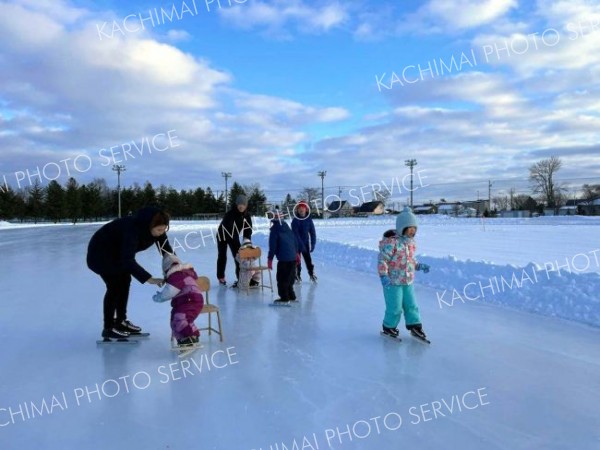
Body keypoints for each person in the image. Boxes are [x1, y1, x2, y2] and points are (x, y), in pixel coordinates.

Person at [87, 206, 173, 340]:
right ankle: (108, 328)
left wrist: (175, 267)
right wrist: (149, 278)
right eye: (159, 230)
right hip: (101, 254)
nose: (161, 233)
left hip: (117, 254)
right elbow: (127, 259)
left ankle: (120, 321)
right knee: (115, 286)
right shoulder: (132, 229)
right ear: (149, 225)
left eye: (164, 229)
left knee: (125, 281)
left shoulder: (157, 228)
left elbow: (166, 251)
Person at [377, 206, 430, 340]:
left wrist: (418, 265)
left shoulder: (411, 243)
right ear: (402, 228)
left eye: (415, 228)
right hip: (392, 282)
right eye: (410, 228)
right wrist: (383, 275)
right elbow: (383, 259)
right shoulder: (392, 243)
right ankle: (389, 326)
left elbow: (411, 259)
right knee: (395, 307)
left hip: (408, 281)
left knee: (411, 305)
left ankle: (415, 326)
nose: (413, 231)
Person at [152, 253, 204, 347]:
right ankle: (183, 339)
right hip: (186, 301)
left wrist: (158, 297)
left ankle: (193, 336)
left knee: (180, 319)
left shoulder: (177, 276)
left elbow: (168, 293)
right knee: (175, 320)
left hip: (190, 300)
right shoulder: (182, 273)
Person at [216, 194, 253, 287]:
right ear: (236, 205)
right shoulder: (230, 214)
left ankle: (240, 278)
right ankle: (221, 277)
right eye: (239, 204)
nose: (241, 206)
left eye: (243, 205)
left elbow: (248, 229)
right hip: (222, 235)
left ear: (246, 205)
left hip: (233, 235)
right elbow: (229, 230)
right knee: (222, 255)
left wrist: (247, 240)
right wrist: (238, 246)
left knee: (239, 257)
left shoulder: (247, 215)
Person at [267, 209, 300, 305]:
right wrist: (296, 253)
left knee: (282, 279)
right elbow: (295, 241)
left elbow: (272, 246)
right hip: (293, 258)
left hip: (284, 260)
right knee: (290, 278)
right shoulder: (287, 227)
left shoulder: (274, 230)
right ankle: (291, 296)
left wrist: (270, 259)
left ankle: (284, 298)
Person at [291, 200, 317, 283]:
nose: (301, 209)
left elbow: (312, 232)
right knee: (297, 260)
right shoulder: (295, 220)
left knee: (308, 260)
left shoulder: (309, 220)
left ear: (306, 209)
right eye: (299, 208)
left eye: (303, 208)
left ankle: (311, 274)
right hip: (296, 244)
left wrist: (313, 243)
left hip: (305, 243)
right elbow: (295, 234)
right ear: (297, 210)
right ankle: (297, 274)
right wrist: (300, 245)